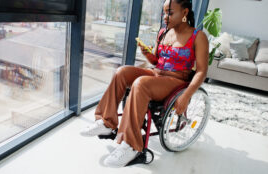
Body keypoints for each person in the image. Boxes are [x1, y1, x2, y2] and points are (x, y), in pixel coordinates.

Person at [81, 0, 209, 167]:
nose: (165, 17)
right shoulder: (164, 32)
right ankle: (107, 123)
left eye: (170, 13)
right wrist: (147, 54)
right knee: (122, 72)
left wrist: (187, 95)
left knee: (141, 83)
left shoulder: (198, 37)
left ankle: (131, 146)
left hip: (176, 80)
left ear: (185, 13)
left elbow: (201, 71)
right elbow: (156, 61)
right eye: (164, 13)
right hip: (156, 74)